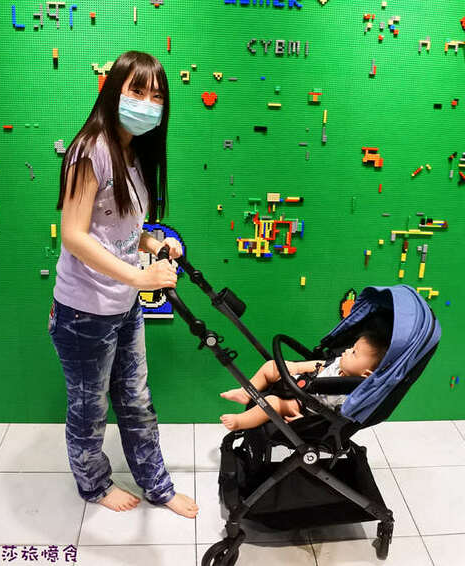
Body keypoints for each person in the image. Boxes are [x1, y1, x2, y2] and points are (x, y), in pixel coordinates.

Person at [48, 50, 198, 518]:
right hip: (83, 313)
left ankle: (158, 486)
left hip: (124, 305)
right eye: (137, 90)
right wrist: (139, 275)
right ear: (114, 90)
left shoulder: (134, 152)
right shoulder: (89, 150)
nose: (147, 103)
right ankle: (93, 486)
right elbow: (74, 235)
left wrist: (152, 242)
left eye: (157, 95)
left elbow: (115, 228)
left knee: (136, 401)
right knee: (89, 408)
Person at [219, 330, 390, 431]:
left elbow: (333, 418)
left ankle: (240, 422)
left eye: (354, 353)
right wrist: (295, 367)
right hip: (300, 381)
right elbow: (318, 365)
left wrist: (304, 421)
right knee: (271, 366)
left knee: (271, 403)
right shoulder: (340, 362)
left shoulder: (348, 396)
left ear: (366, 374)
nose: (346, 351)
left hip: (304, 405)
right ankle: (245, 393)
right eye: (352, 347)